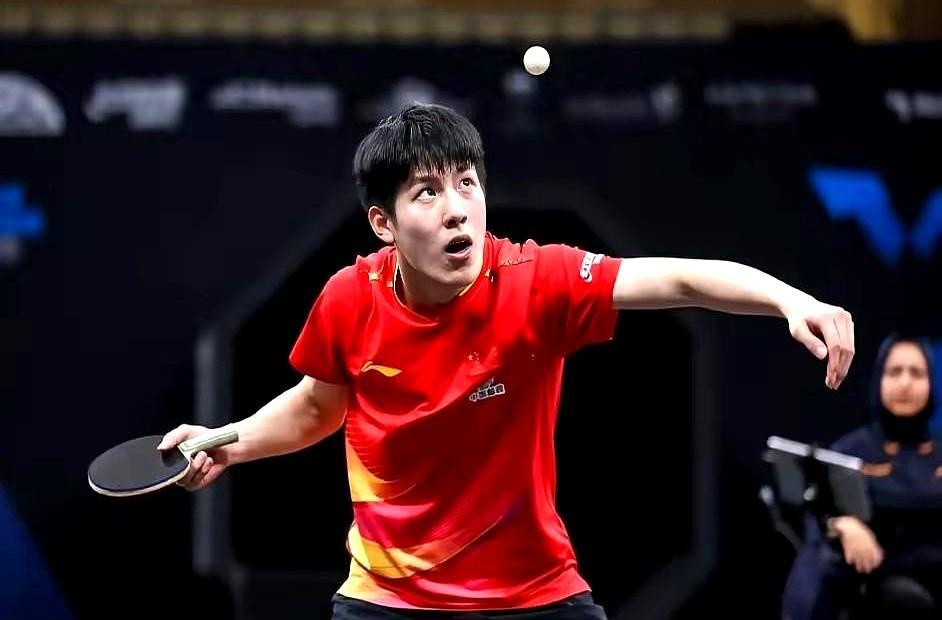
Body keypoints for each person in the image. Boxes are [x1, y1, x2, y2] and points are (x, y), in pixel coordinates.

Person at [159, 103, 855, 619]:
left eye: (467, 183)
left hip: (534, 595)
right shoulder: (350, 297)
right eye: (427, 192)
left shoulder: (536, 281)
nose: (457, 209)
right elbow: (317, 405)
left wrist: (788, 299)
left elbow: (676, 279)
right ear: (383, 222)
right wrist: (227, 442)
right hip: (389, 599)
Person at [781, 335, 942, 619]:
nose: (905, 383)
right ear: (879, 380)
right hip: (869, 581)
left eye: (917, 373)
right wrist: (842, 525)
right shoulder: (852, 450)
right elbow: (818, 514)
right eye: (894, 372)